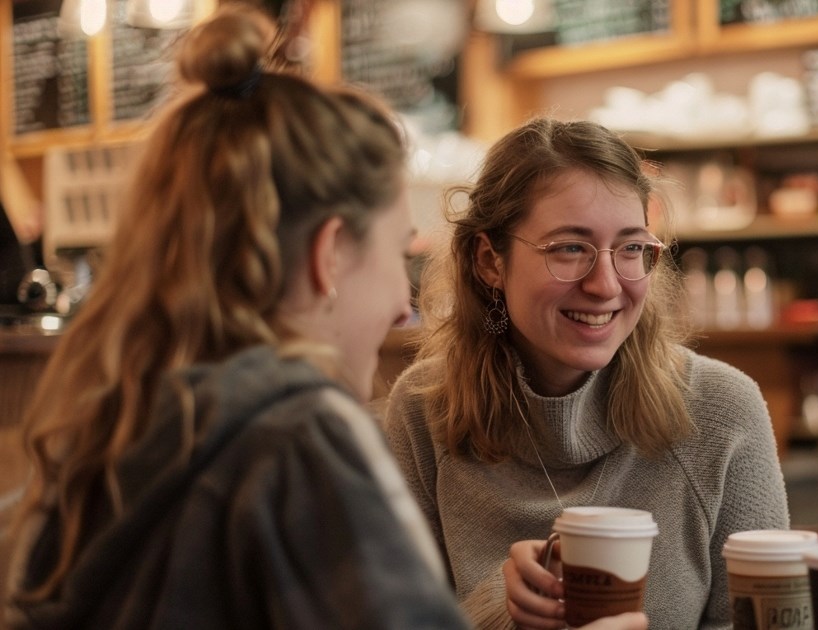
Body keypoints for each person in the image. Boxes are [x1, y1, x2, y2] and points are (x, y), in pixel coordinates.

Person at [2, 7, 645, 630]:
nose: (404, 303)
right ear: (328, 255)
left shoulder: (120, 418)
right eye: (398, 255)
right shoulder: (301, 437)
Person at [384, 117, 790, 629]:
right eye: (569, 248)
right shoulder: (424, 412)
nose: (605, 285)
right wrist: (497, 608)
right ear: (490, 261)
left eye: (631, 248)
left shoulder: (721, 410)